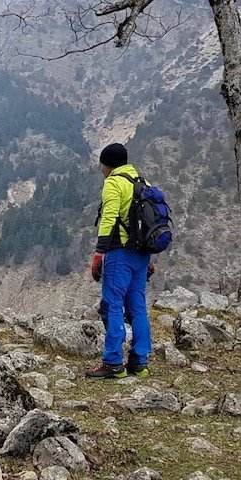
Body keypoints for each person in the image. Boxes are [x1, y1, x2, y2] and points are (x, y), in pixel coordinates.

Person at [86, 143, 153, 378]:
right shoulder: (143, 183)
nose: (101, 170)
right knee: (137, 307)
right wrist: (150, 257)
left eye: (102, 165)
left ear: (108, 165)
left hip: (119, 253)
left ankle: (113, 362)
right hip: (142, 255)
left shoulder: (114, 183)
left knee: (112, 305)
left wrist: (98, 253)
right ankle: (140, 361)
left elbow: (109, 218)